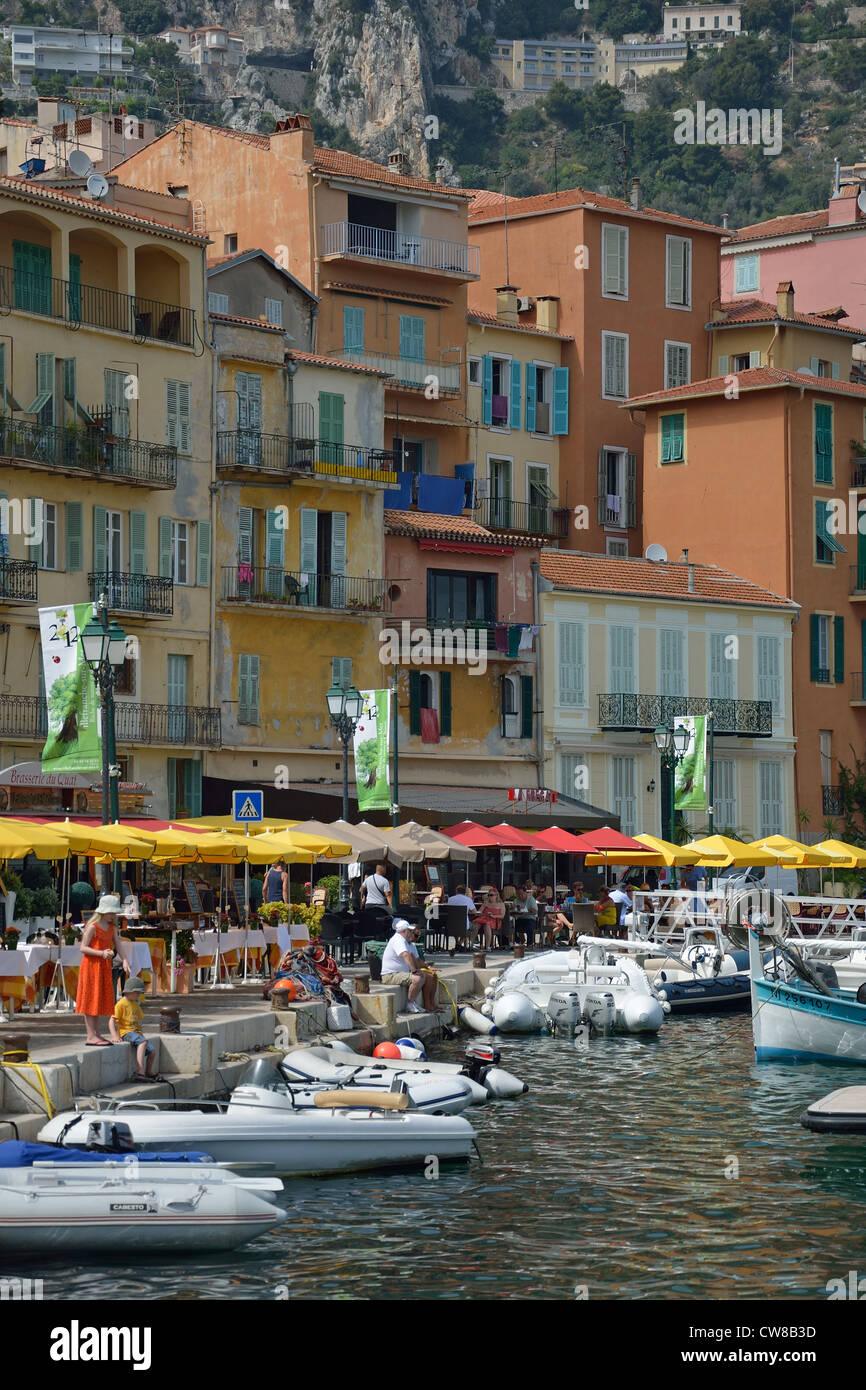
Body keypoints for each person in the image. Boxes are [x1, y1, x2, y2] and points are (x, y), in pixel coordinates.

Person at [75, 894, 123, 1046]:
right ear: (103, 911)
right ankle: (90, 1035)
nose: (113, 915)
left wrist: (125, 959)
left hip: (103, 967)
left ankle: (96, 1033)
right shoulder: (92, 927)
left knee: (98, 999)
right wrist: (101, 953)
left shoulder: (111, 928)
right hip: (91, 966)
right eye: (111, 913)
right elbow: (83, 948)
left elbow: (119, 945)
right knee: (91, 999)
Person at [110, 977, 163, 1082]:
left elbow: (139, 1020)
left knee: (152, 1051)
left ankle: (148, 1071)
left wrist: (141, 1033)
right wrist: (115, 1035)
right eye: (136, 993)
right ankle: (140, 1071)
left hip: (136, 1033)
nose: (138, 995)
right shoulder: (120, 1004)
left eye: (140, 993)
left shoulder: (135, 1004)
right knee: (142, 1043)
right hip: (126, 1032)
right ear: (128, 991)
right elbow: (112, 1021)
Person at [380, 919, 437, 1014]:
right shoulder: (398, 939)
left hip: (399, 973)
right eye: (409, 931)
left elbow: (415, 959)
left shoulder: (405, 941)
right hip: (390, 975)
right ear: (403, 931)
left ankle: (421, 1004)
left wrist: (427, 968)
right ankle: (410, 1004)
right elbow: (406, 955)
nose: (411, 933)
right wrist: (414, 971)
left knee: (425, 975)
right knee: (417, 978)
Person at [446, 882, 477, 954]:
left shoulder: (450, 899)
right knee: (474, 927)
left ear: (456, 891)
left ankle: (457, 943)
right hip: (464, 924)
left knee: (457, 928)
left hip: (451, 925)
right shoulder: (468, 899)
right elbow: (474, 912)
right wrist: (467, 911)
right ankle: (461, 943)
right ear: (465, 892)